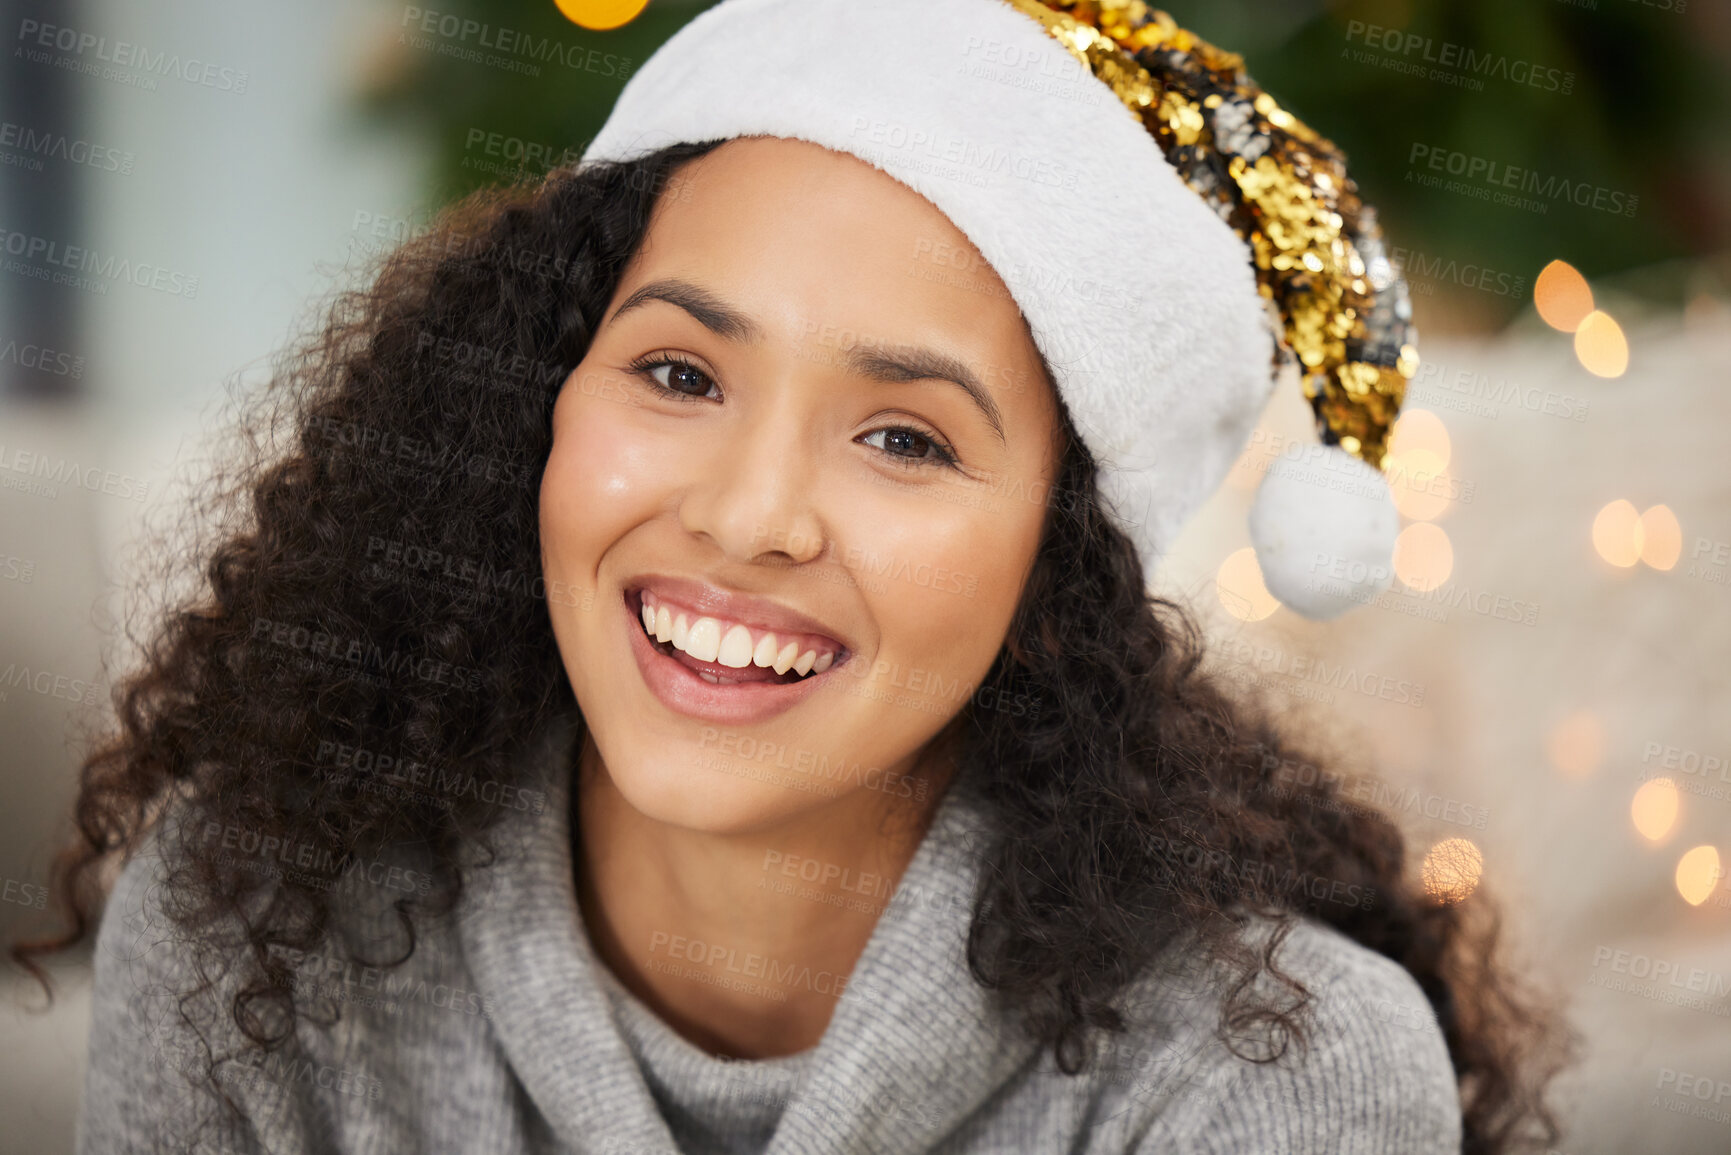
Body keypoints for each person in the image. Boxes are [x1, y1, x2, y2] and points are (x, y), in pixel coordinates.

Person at [13, 1, 1569, 1152]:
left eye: (903, 438)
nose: (752, 517)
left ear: (1059, 576)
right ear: (528, 402)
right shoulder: (251, 928)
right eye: (680, 375)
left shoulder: (1274, 1074)